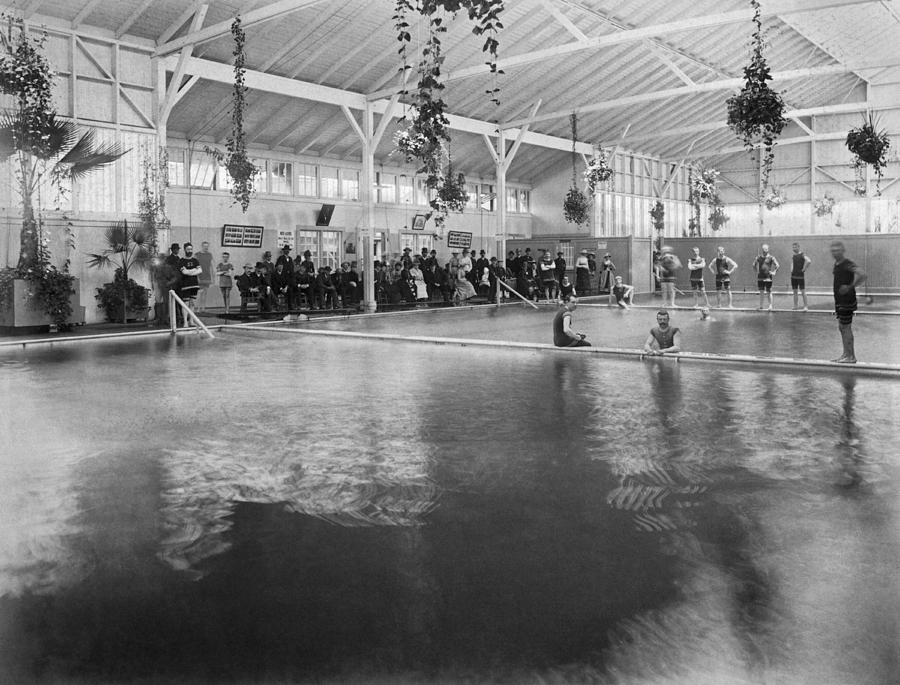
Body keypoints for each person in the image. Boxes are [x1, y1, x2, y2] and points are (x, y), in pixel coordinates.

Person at [831, 240, 866, 363]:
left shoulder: (847, 263)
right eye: (833, 250)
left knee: (845, 327)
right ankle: (846, 354)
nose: (835, 252)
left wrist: (850, 287)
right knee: (842, 327)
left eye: (837, 250)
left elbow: (862, 274)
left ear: (843, 251)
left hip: (847, 300)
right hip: (840, 300)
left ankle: (851, 356)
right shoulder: (837, 263)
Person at [753, 243, 779, 311]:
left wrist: (774, 272)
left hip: (768, 278)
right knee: (761, 292)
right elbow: (754, 264)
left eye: (766, 249)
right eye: (763, 249)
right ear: (762, 249)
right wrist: (756, 271)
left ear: (768, 249)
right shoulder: (758, 257)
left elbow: (777, 265)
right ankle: (761, 306)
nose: (765, 250)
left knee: (769, 292)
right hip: (760, 277)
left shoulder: (771, 257)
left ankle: (770, 306)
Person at [178, 242, 203, 311]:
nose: (190, 251)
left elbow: (200, 270)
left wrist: (189, 271)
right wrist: (194, 270)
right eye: (188, 249)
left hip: (194, 285)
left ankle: (191, 321)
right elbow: (184, 272)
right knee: (185, 304)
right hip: (186, 285)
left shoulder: (195, 260)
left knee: (192, 304)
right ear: (185, 250)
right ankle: (185, 321)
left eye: (191, 249)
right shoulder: (181, 261)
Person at [790, 241, 812, 311]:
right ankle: (795, 306)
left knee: (803, 291)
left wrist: (804, 269)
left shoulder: (802, 254)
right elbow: (792, 263)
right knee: (795, 292)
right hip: (793, 276)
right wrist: (791, 270)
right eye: (793, 247)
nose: (794, 248)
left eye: (795, 247)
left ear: (798, 247)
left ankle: (805, 306)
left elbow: (809, 261)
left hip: (800, 276)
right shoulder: (793, 255)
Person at [195, 241, 214, 312]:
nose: (206, 247)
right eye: (204, 246)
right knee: (199, 293)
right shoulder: (197, 255)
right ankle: (197, 308)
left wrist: (213, 277)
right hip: (200, 276)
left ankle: (203, 308)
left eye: (207, 246)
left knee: (205, 293)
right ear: (202, 246)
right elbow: (195, 266)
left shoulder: (209, 255)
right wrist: (197, 277)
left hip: (207, 276)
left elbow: (212, 267)